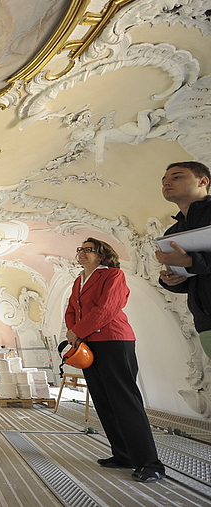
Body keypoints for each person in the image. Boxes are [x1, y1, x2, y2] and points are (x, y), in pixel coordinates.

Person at [66, 238, 165, 483]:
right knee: (104, 401)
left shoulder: (112, 275)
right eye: (81, 249)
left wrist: (78, 332)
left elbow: (107, 309)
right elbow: (71, 310)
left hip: (114, 341)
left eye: (89, 250)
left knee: (124, 401)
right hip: (89, 344)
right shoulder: (79, 281)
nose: (82, 253)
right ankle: (123, 455)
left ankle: (151, 464)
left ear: (101, 255)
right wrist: (74, 333)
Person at [155, 161, 211, 358]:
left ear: (203, 181)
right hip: (205, 321)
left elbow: (194, 264)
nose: (167, 183)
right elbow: (193, 281)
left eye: (177, 177)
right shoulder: (173, 232)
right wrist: (170, 279)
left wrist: (190, 261)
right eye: (164, 180)